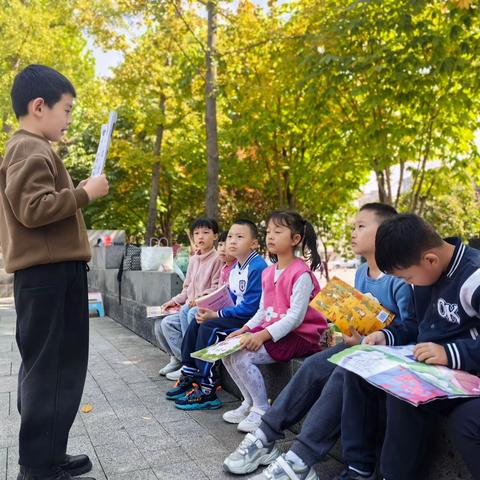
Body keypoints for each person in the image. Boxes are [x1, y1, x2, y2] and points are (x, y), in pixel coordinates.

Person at [223, 203, 414, 480]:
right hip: (357, 346)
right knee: (312, 367)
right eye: (353, 226)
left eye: (361, 227)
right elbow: (357, 320)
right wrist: (352, 333)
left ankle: (300, 459)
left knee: (342, 372)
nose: (353, 232)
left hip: (384, 354)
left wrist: (382, 337)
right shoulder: (361, 274)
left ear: (385, 232)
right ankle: (264, 436)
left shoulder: (399, 278)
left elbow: (410, 327)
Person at [0, 65, 109, 480]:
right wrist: (84, 193)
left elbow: (38, 204)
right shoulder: (29, 148)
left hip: (46, 275)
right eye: (66, 110)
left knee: (50, 367)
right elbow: (33, 210)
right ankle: (38, 467)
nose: (68, 120)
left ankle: (48, 455)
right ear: (39, 106)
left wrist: (74, 193)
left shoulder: (28, 148)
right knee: (53, 369)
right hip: (48, 276)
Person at [336, 214, 480, 480]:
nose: (407, 284)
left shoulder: (473, 277)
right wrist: (386, 337)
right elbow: (416, 327)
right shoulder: (425, 274)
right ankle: (358, 467)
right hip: (433, 366)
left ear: (430, 259)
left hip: (466, 373)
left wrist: (450, 353)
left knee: (405, 394)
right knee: (358, 372)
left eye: (408, 277)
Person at [222, 211, 327, 433]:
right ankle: (248, 402)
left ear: (295, 239)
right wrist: (245, 329)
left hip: (299, 336)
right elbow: (263, 309)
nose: (270, 236)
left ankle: (261, 409)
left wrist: (260, 335)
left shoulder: (301, 274)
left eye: (278, 232)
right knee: (227, 350)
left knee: (242, 355)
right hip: (273, 330)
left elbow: (294, 318)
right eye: (268, 232)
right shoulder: (269, 272)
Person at [166, 219, 268, 410]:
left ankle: (207, 390)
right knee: (198, 321)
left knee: (209, 327)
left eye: (239, 237)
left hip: (249, 321)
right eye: (230, 236)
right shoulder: (238, 266)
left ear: (253, 243)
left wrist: (217, 314)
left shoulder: (257, 267)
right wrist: (210, 308)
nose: (232, 241)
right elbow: (230, 296)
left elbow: (250, 308)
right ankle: (189, 374)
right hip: (236, 314)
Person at [155, 218, 223, 379]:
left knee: (187, 312)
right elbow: (187, 289)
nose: (201, 237)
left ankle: (190, 365)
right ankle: (178, 359)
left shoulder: (217, 259)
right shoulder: (193, 260)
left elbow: (216, 287)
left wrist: (200, 298)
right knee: (162, 323)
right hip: (188, 307)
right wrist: (174, 301)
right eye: (197, 233)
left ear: (215, 236)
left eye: (206, 232)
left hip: (203, 309)